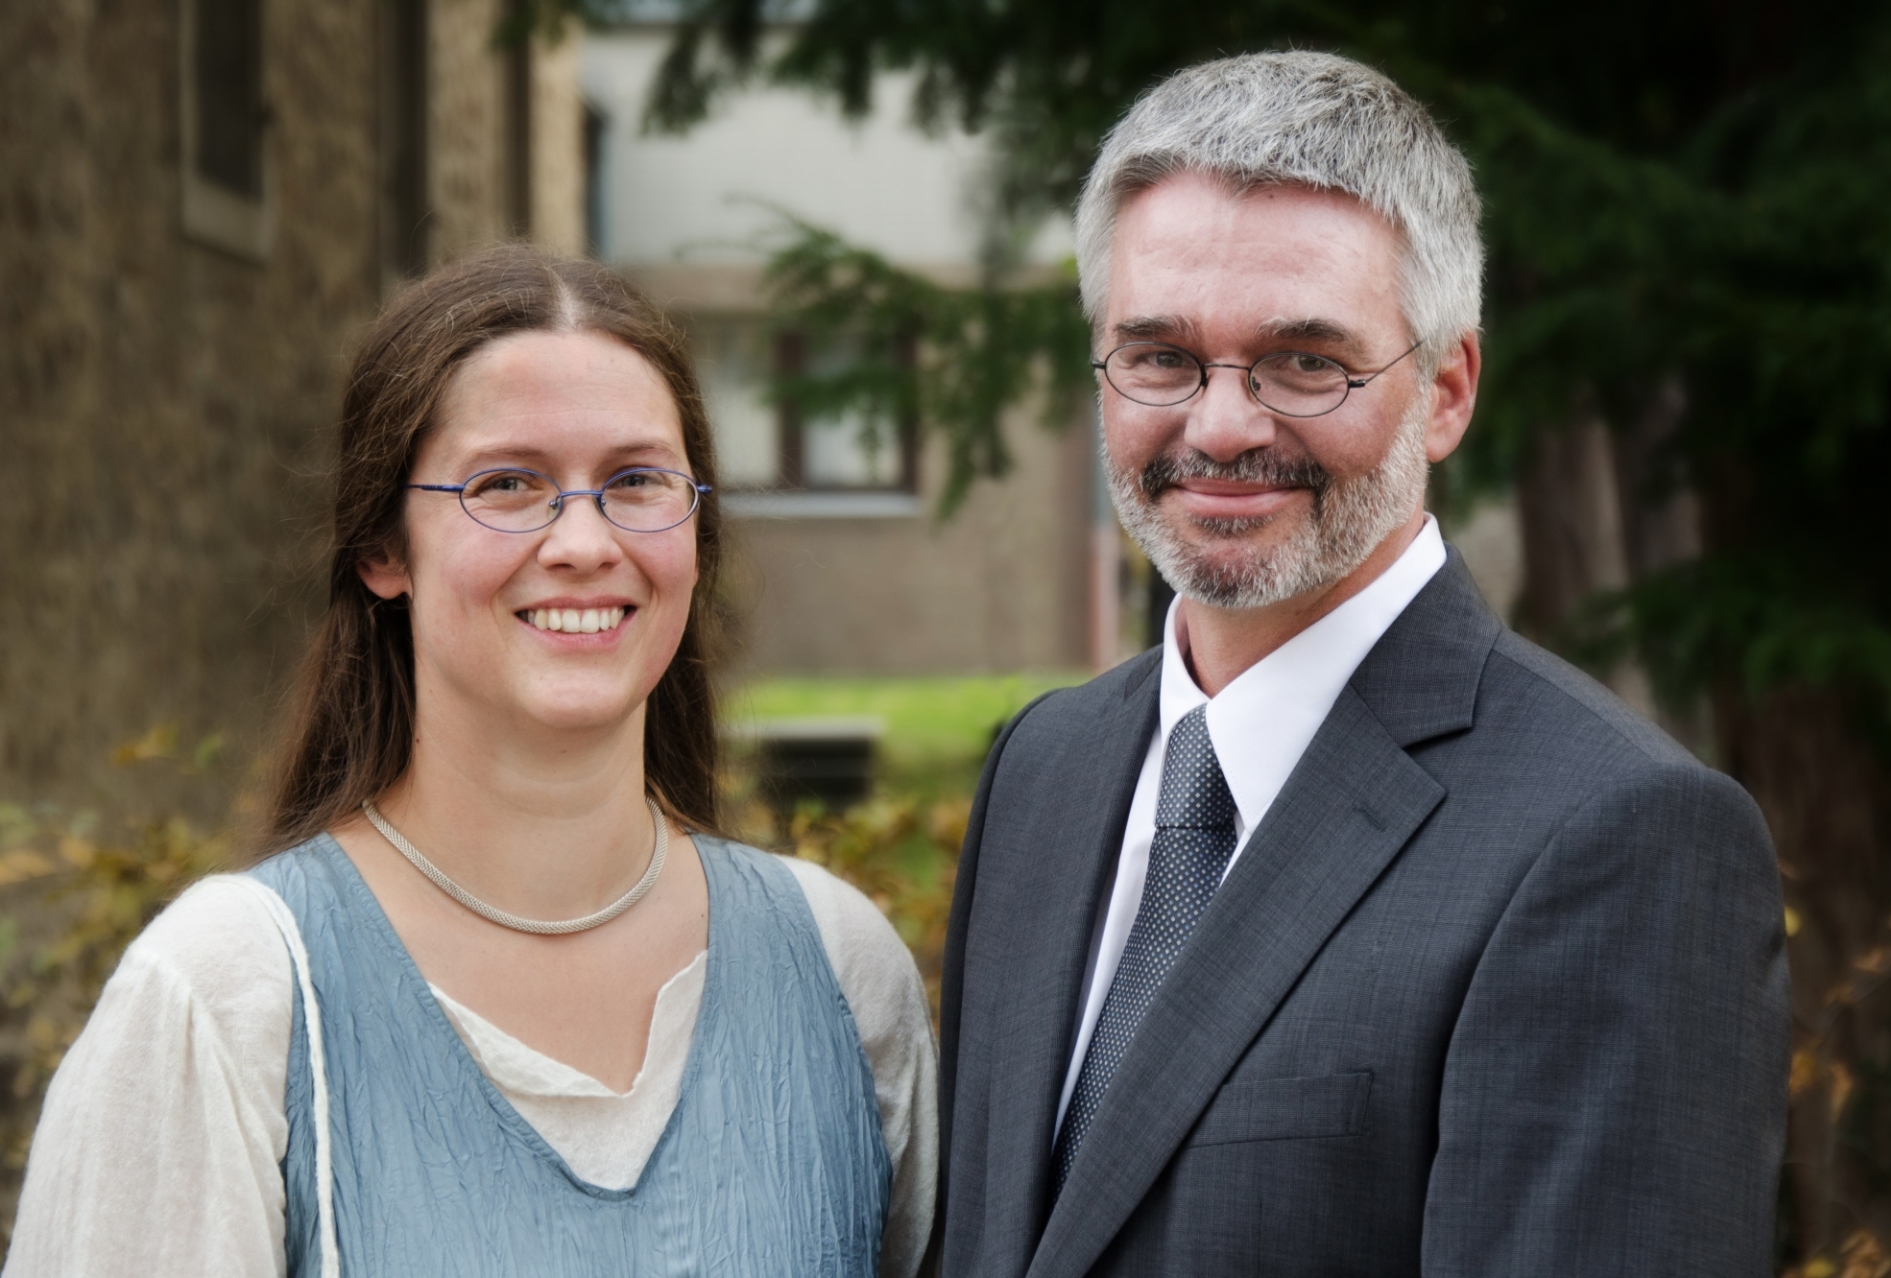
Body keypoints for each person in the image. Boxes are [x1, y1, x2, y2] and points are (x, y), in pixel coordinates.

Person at [938, 51, 1788, 1276]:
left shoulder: (1619, 839)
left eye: (1305, 362)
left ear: (1445, 391)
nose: (1221, 427)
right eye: (1161, 356)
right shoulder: (1045, 768)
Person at [6, 246, 936, 1277]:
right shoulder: (229, 999)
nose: (583, 540)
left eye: (637, 482)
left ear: (697, 535)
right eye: (507, 483)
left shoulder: (843, 976)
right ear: (383, 551)